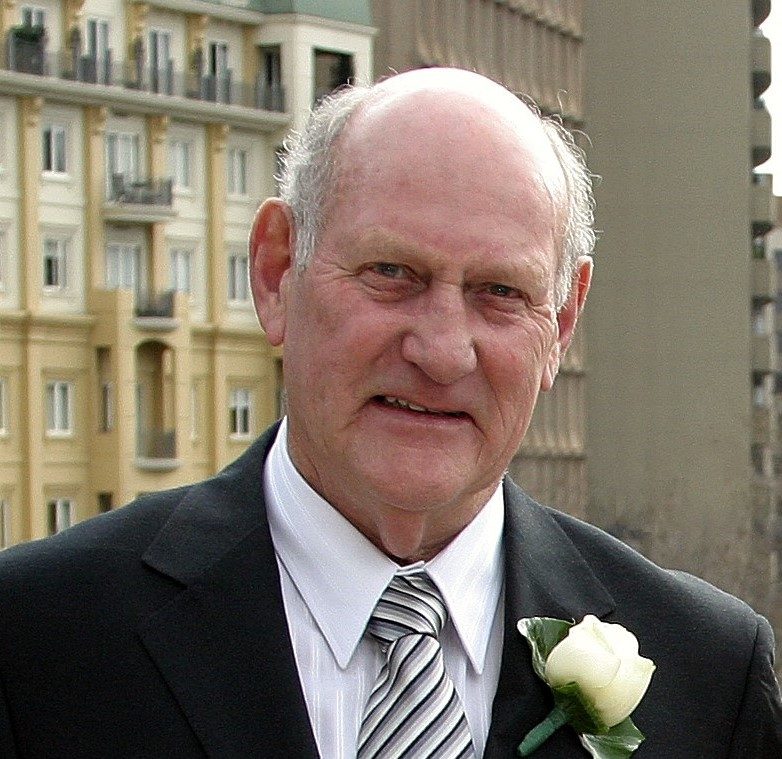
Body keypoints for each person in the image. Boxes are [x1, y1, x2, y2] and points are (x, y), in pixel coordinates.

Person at [0, 68, 780, 758]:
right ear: (276, 272)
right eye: (392, 273)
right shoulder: (38, 640)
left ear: (564, 321)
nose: (443, 350)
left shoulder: (707, 673)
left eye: (500, 293)